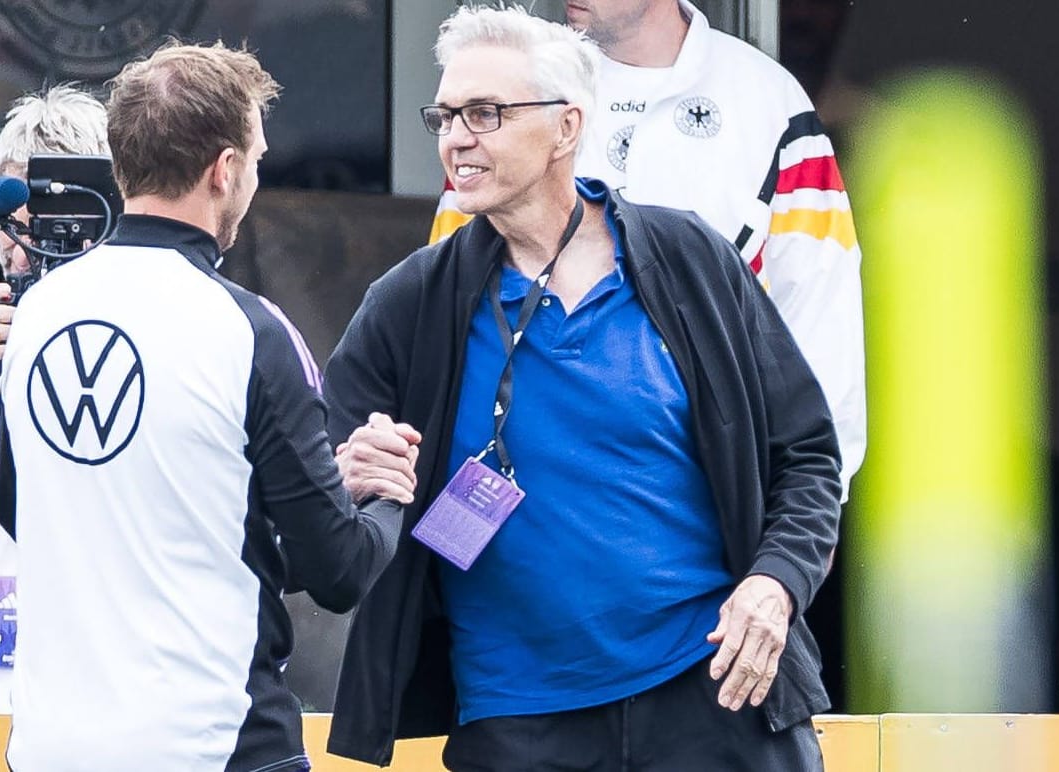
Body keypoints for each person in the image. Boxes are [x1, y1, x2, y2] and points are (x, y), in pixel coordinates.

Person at [325, 7, 841, 770]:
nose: (456, 137)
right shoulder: (412, 302)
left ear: (567, 128)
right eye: (446, 115)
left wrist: (776, 585)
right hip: (518, 721)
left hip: (712, 693)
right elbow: (310, 491)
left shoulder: (688, 259)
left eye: (486, 113)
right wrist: (349, 475)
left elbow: (806, 456)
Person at [0, 42, 421, 771]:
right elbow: (339, 570)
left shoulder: (37, 315)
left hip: (52, 748)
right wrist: (382, 494)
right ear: (225, 171)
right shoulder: (249, 330)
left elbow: (18, 509)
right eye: (255, 158)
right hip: (219, 745)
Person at [427, 0, 866, 496]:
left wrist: (819, 496)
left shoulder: (768, 101)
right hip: (523, 476)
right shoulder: (515, 85)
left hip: (704, 489)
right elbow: (448, 292)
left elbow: (819, 310)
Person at [0, 85, 110, 713]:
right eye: (7, 221)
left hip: (104, 676)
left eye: (40, 218)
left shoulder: (152, 326)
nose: (16, 242)